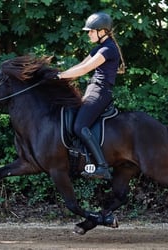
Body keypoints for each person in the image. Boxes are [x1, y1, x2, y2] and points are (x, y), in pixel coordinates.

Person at [53, 12, 125, 180]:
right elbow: (80, 65)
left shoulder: (108, 49)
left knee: (80, 126)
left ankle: (102, 166)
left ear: (102, 31)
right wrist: (59, 75)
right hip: (93, 89)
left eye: (91, 31)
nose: (89, 34)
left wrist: (60, 76)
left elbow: (86, 69)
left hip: (100, 92)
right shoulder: (99, 48)